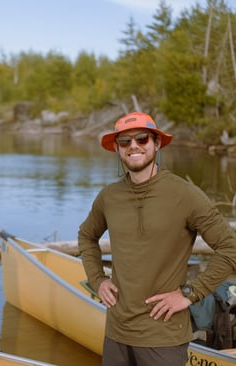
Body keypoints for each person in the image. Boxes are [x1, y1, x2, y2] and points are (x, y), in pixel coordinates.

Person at [78, 111, 236, 366]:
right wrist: (98, 280)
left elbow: (230, 248)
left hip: (163, 337)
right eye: (125, 142)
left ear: (157, 143)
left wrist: (189, 293)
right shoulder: (109, 197)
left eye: (142, 139)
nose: (134, 146)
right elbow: (86, 236)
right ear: (117, 149)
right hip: (116, 334)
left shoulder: (184, 195)